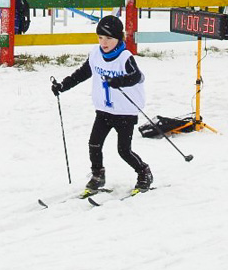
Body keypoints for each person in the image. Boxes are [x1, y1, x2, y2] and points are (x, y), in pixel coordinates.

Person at [51, 15, 152, 193]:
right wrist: (63, 86)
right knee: (94, 144)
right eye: (100, 37)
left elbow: (136, 76)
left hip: (125, 112)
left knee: (124, 150)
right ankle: (98, 175)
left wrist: (119, 80)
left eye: (109, 38)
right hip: (104, 110)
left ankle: (144, 172)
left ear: (118, 38)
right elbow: (82, 73)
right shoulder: (96, 54)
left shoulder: (125, 57)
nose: (104, 42)